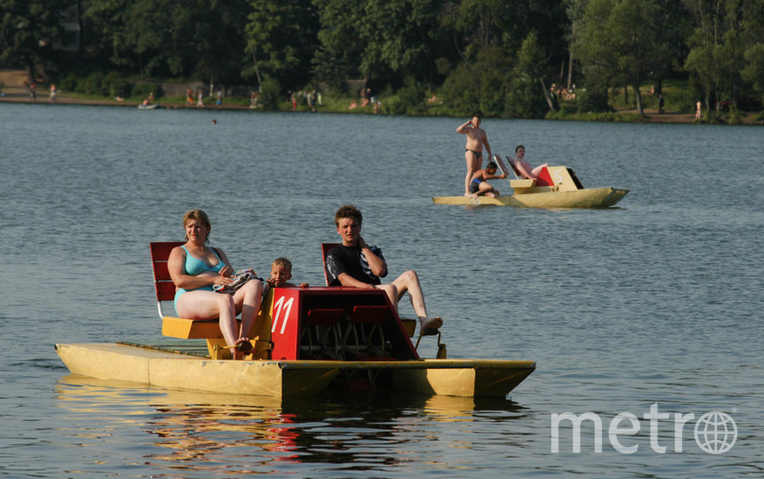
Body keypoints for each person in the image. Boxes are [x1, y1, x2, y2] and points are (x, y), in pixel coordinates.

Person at [326, 205, 443, 333]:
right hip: (355, 298)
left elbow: (380, 272)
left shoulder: (371, 251)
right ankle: (394, 332)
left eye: (354, 226)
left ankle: (424, 320)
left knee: (410, 275)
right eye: (345, 227)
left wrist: (364, 247)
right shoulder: (334, 253)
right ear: (338, 230)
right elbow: (343, 278)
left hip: (377, 295)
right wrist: (365, 287)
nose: (350, 230)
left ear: (360, 228)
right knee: (389, 288)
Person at [167, 209, 264, 358]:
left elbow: (231, 279)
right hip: (188, 298)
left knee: (255, 284)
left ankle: (243, 340)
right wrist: (212, 279)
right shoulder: (179, 251)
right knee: (225, 300)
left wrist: (231, 275)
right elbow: (179, 280)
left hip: (219, 295)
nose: (193, 230)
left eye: (198, 226)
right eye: (190, 226)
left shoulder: (217, 252)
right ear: (185, 229)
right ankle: (235, 351)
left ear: (207, 229)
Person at [456, 112, 492, 197]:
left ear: (480, 122)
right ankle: (467, 191)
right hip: (471, 152)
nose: (476, 122)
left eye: (478, 121)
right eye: (475, 120)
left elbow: (486, 143)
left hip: (479, 153)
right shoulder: (469, 129)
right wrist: (467, 123)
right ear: (472, 121)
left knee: (477, 173)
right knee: (471, 170)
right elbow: (458, 130)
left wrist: (489, 153)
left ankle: (475, 191)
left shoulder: (482, 131)